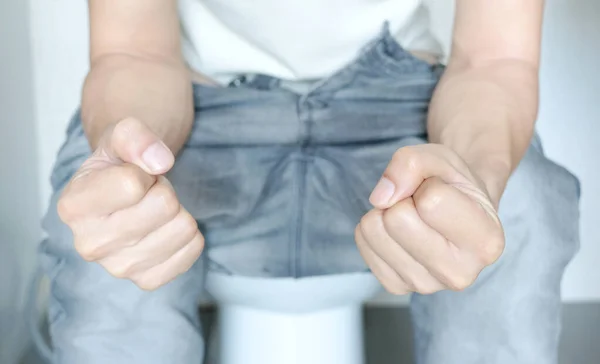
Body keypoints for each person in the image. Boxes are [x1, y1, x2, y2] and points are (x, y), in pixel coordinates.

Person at [37, 0, 580, 363]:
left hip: (396, 107)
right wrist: (131, 162)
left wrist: (474, 183)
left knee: (518, 202)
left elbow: (494, 60)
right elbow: (134, 50)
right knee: (105, 210)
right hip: (202, 104)